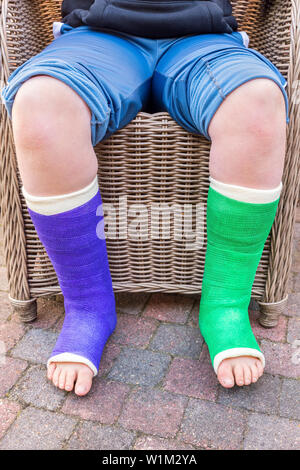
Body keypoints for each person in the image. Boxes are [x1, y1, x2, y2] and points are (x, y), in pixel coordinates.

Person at [1, 0, 288, 396]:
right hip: (98, 36)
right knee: (40, 106)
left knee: (257, 104)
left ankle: (225, 305)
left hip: (203, 39)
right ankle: (87, 308)